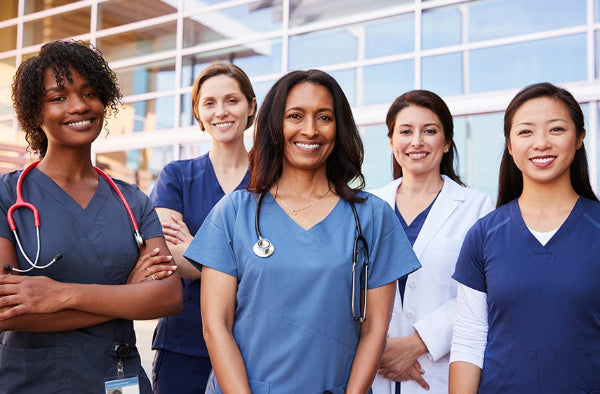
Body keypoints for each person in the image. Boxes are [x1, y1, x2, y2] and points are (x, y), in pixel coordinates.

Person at [183, 69, 421, 393]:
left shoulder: (372, 216)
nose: (310, 130)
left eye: (324, 117)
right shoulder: (234, 213)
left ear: (339, 128)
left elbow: (376, 328)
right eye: (295, 116)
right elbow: (216, 326)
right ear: (274, 126)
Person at [0, 40, 183, 393]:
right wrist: (126, 296)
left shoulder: (132, 200)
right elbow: (7, 312)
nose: (79, 106)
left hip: (117, 378)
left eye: (89, 93)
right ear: (34, 113)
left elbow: (169, 296)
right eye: (58, 97)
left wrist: (61, 295)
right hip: (33, 383)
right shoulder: (8, 196)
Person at [449, 82, 600, 393]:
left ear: (580, 138)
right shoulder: (483, 235)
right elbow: (469, 340)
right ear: (509, 145)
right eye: (526, 132)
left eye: (556, 129)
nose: (541, 143)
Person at [371, 90, 492, 394]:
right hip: (374, 371)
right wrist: (380, 352)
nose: (417, 142)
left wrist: (417, 343)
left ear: (447, 142)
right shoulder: (367, 206)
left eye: (429, 131)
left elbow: (484, 292)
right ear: (390, 141)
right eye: (406, 131)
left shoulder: (477, 207)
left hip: (438, 372)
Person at [149, 61, 256, 393]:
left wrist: (196, 248)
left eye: (232, 100)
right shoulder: (176, 176)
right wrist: (241, 262)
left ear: (251, 106)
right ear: (198, 112)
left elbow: (281, 266)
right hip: (185, 344)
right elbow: (164, 256)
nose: (220, 111)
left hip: (255, 343)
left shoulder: (272, 180)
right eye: (209, 103)